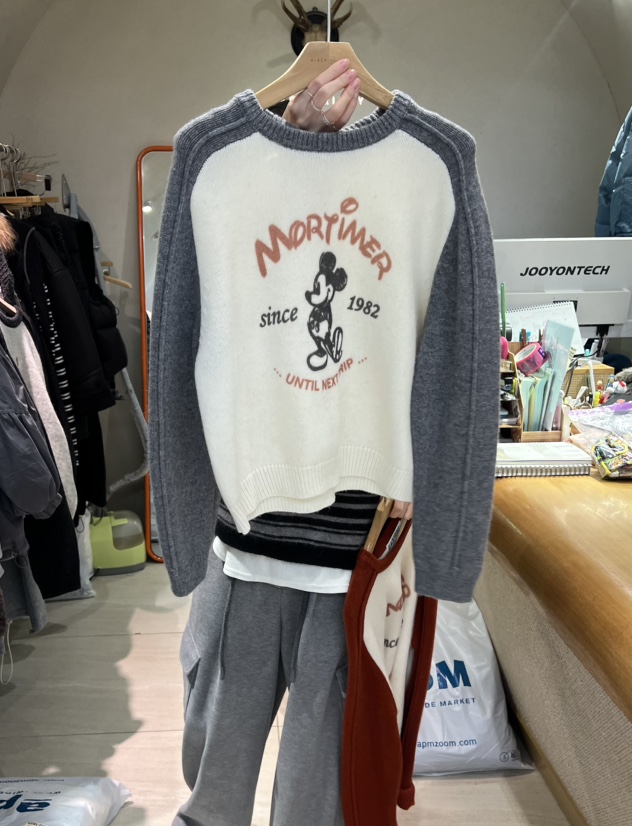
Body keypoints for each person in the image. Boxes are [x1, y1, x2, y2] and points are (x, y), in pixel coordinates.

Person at [172, 61, 412, 826]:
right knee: (213, 765)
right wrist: (276, 166)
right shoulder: (230, 174)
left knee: (317, 792)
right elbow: (199, 318)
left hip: (352, 554)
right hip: (248, 532)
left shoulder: (416, 181)